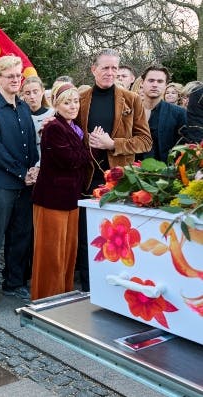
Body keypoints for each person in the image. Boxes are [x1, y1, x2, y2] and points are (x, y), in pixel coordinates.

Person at [75, 48, 151, 291]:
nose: (110, 73)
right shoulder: (82, 99)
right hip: (87, 178)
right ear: (93, 69)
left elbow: (145, 141)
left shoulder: (131, 99)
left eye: (114, 68)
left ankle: (118, 287)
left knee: (119, 237)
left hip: (119, 181)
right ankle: (89, 287)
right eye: (105, 68)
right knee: (88, 237)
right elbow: (71, 132)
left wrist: (112, 144)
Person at [0, 55, 39, 311]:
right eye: (10, 76)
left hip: (24, 183)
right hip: (2, 183)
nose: (15, 80)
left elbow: (30, 144)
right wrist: (20, 172)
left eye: (18, 75)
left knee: (20, 236)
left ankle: (14, 282)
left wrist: (33, 169)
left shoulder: (24, 107)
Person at [31, 83, 91, 300]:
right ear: (56, 104)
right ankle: (47, 296)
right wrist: (86, 152)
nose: (73, 106)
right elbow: (70, 160)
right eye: (67, 102)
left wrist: (82, 153)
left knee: (67, 252)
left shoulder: (74, 127)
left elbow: (77, 158)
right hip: (52, 199)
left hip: (69, 198)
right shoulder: (54, 127)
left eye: (75, 101)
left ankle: (63, 294)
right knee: (52, 254)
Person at [139, 65, 186, 162]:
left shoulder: (178, 113)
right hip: (131, 171)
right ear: (142, 83)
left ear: (165, 85)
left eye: (160, 81)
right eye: (151, 80)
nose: (155, 85)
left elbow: (184, 147)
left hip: (165, 173)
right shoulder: (129, 111)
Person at [21, 76, 54, 162]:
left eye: (35, 92)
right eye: (28, 93)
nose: (32, 96)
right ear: (23, 95)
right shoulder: (20, 117)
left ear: (42, 91)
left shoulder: (53, 114)